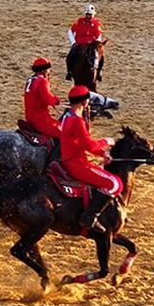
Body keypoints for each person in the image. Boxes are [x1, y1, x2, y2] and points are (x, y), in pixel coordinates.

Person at [59, 85, 123, 232]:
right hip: (77, 164)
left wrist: (103, 154)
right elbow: (89, 145)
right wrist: (106, 142)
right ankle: (89, 217)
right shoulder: (77, 120)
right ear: (84, 102)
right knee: (115, 184)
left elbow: (81, 143)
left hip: (70, 160)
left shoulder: (67, 116)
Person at [22, 58, 61, 141]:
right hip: (41, 119)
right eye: (48, 69)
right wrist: (56, 100)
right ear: (44, 70)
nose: (49, 72)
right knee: (63, 133)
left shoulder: (30, 80)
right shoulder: (42, 81)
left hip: (29, 117)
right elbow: (48, 99)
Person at [65, 4, 104, 81]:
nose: (88, 16)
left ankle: (99, 72)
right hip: (79, 44)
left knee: (100, 57)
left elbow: (99, 35)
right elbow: (70, 31)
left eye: (90, 15)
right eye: (87, 14)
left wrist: (97, 43)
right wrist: (73, 42)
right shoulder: (79, 21)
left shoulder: (96, 24)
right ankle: (69, 72)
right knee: (70, 56)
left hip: (91, 45)